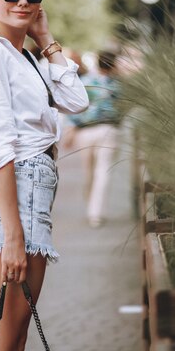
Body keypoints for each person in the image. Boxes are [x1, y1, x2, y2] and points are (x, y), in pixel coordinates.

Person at [0, 0, 88, 351]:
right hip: (18, 198)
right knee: (5, 342)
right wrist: (14, 235)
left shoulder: (24, 57)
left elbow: (76, 100)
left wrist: (46, 40)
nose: (22, 1)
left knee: (8, 342)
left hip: (24, 198)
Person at [64, 49, 122, 228]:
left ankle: (93, 208)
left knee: (90, 172)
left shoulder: (86, 82)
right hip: (108, 129)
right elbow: (124, 108)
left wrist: (70, 130)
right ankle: (95, 213)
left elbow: (73, 107)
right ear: (114, 64)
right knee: (103, 172)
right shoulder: (117, 86)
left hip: (85, 132)